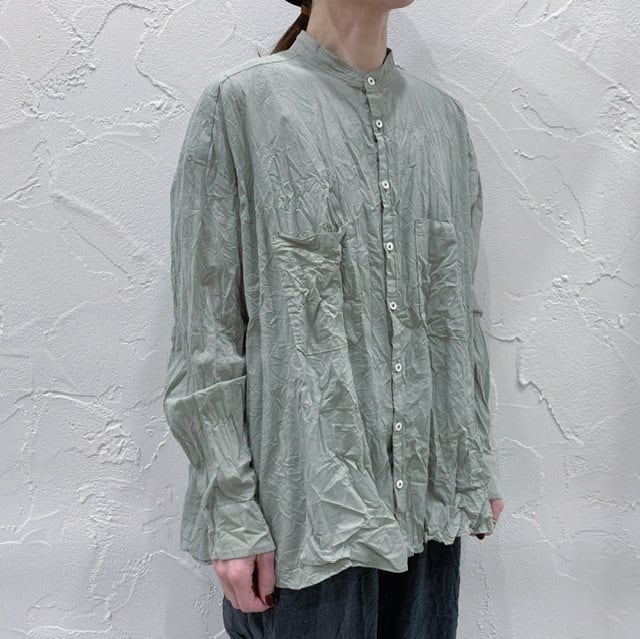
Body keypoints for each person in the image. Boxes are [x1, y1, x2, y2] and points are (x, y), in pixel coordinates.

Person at [163, 0, 505, 636]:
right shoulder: (242, 106)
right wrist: (231, 513)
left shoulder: (443, 122)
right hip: (304, 520)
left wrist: (473, 462)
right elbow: (206, 332)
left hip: (428, 508)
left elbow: (458, 312)